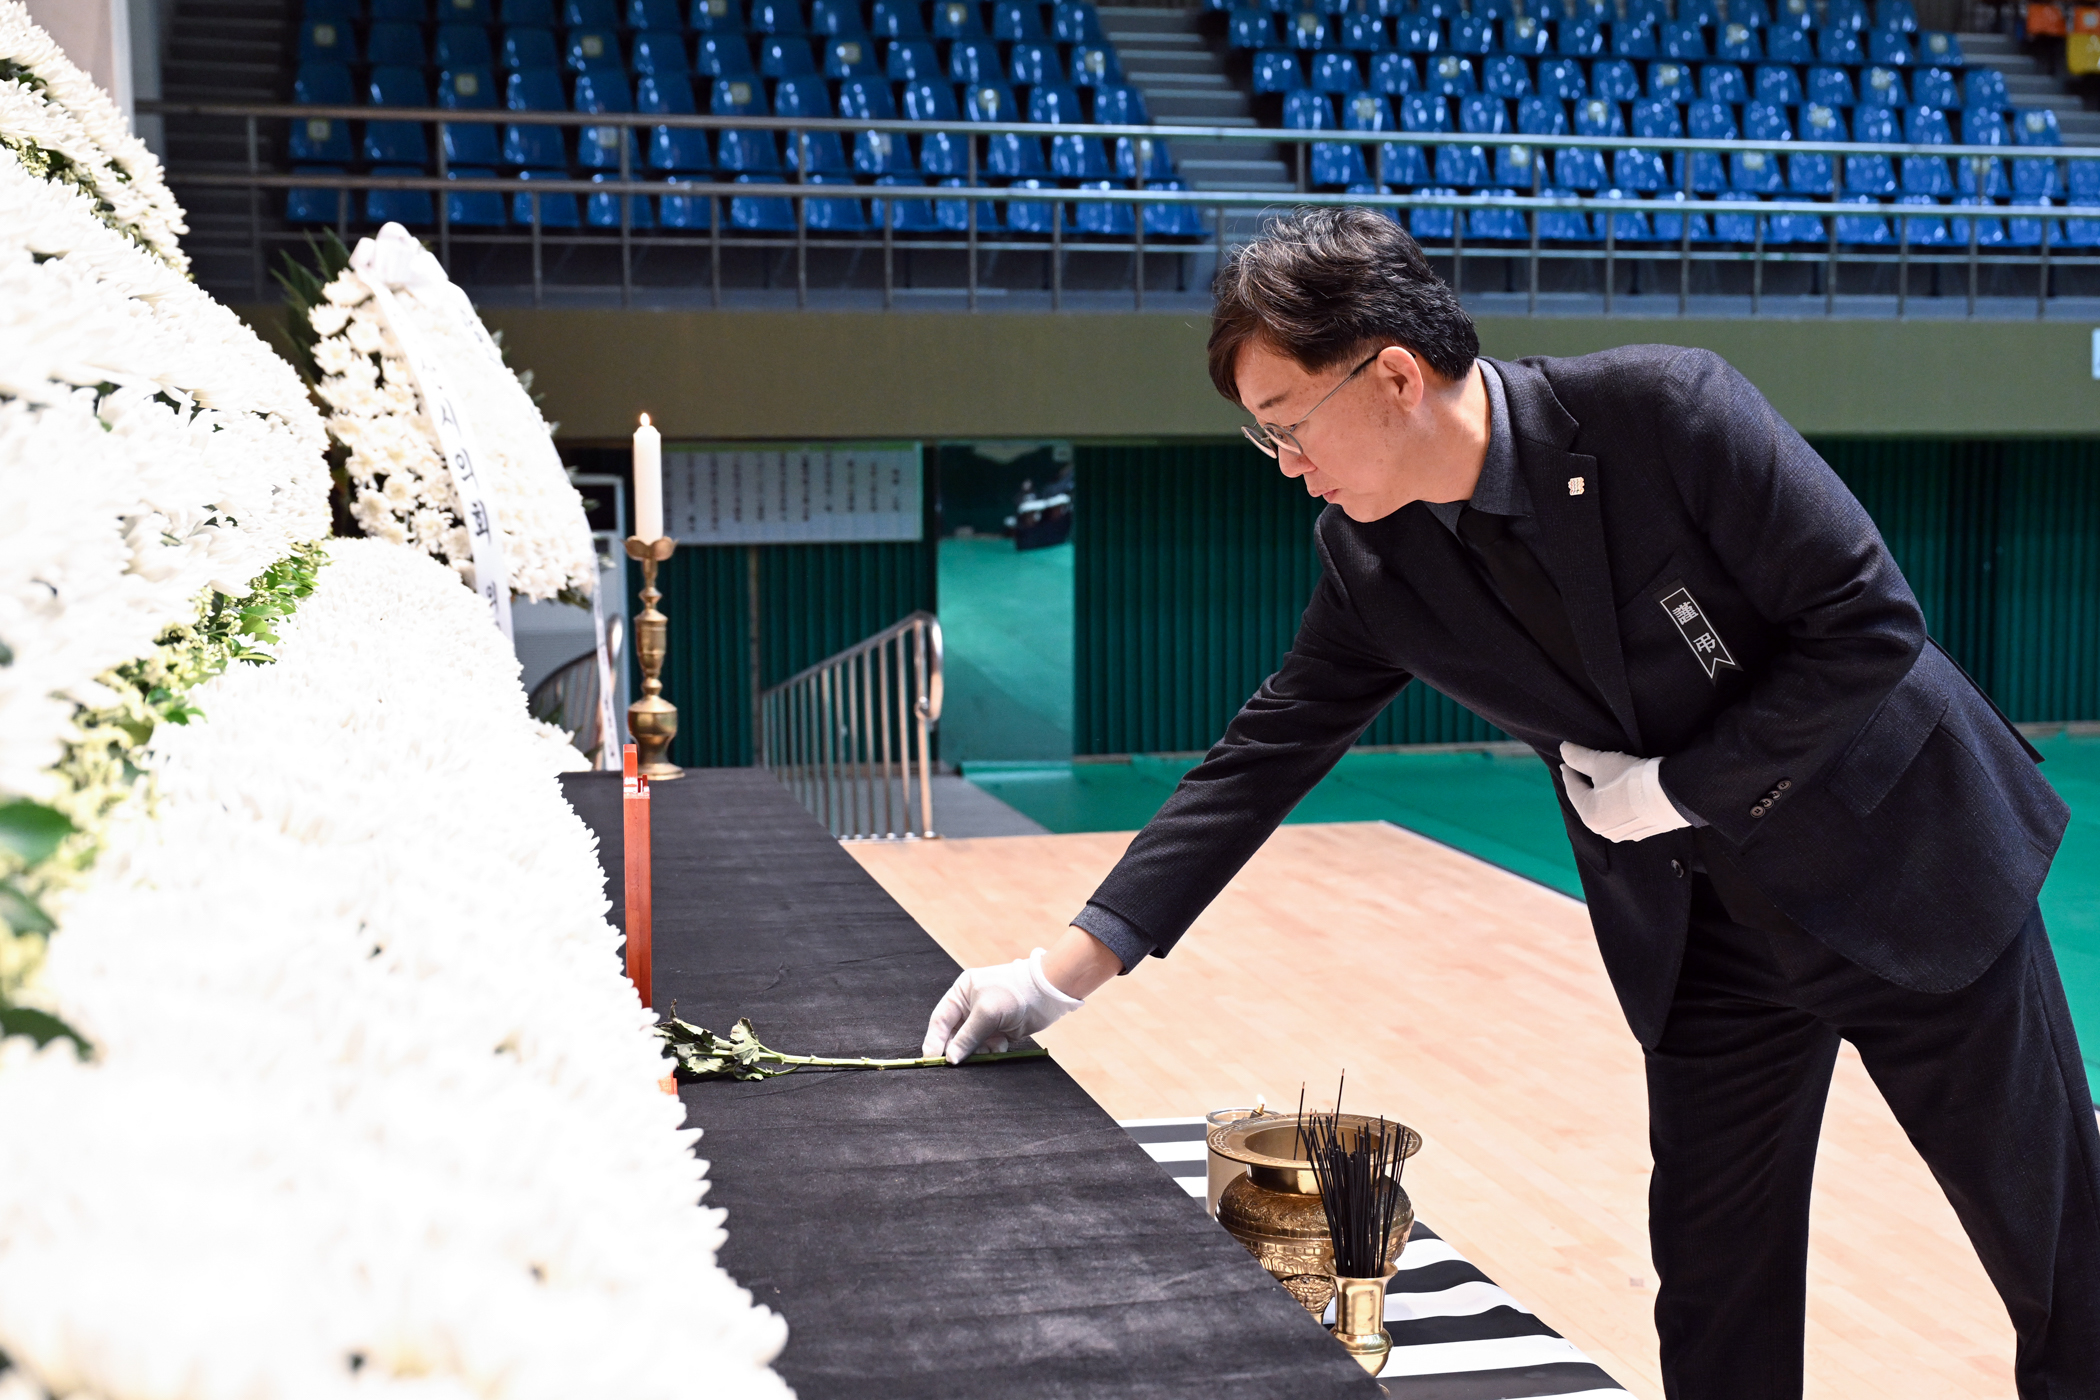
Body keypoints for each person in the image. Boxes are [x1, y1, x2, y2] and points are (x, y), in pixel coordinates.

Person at [920, 207, 2100, 1399]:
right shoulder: (1370, 558)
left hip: (1907, 868)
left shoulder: (1667, 413)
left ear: (1392, 375)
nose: (1286, 463)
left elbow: (1870, 626)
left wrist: (1679, 788)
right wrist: (1054, 973)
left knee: (2058, 1255)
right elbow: (1260, 755)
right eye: (1261, 435)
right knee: (1713, 1278)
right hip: (1706, 938)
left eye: (1287, 425)